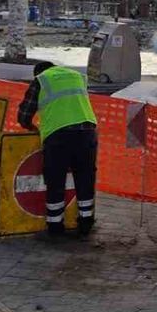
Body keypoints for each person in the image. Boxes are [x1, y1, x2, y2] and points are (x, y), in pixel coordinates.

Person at [18, 61, 98, 238]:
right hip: (87, 132)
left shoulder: (41, 79)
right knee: (85, 178)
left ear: (38, 72)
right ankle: (86, 223)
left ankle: (55, 226)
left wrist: (29, 125)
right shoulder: (78, 77)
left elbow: (25, 113)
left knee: (55, 180)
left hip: (58, 135)